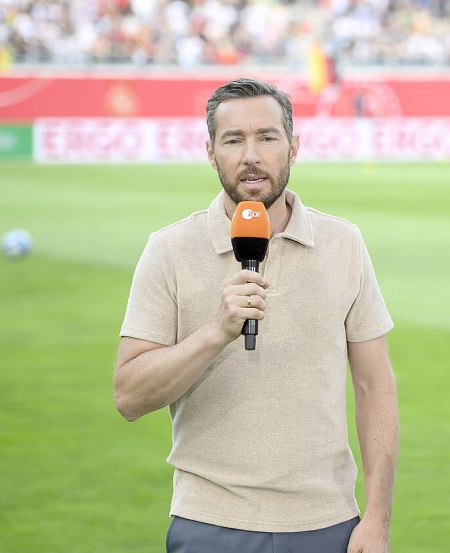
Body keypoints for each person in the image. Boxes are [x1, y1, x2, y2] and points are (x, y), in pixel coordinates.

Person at [113, 78, 398, 553]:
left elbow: (375, 386)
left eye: (267, 137)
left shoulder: (344, 244)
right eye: (233, 139)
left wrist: (379, 518)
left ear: (294, 146)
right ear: (210, 152)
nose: (251, 155)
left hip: (328, 523)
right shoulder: (169, 250)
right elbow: (129, 397)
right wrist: (214, 332)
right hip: (209, 523)